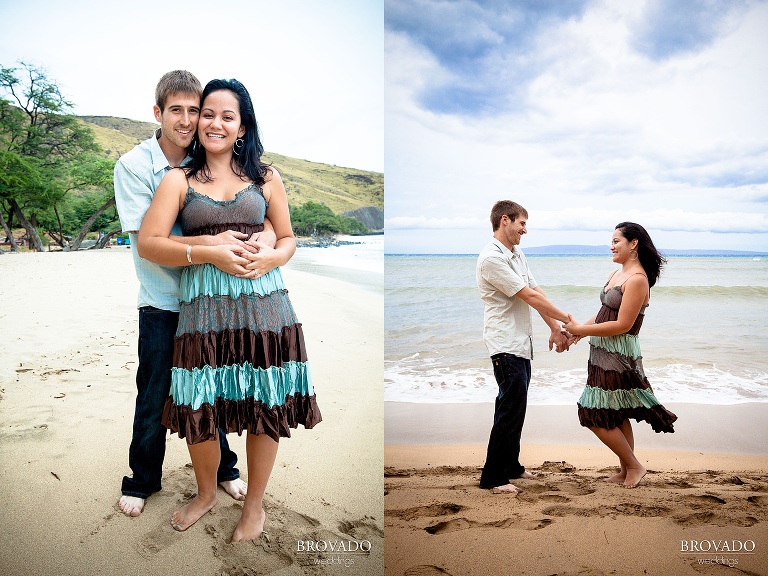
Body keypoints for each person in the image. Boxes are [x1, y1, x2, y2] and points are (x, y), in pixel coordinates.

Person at [137, 78, 321, 542]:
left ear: (242, 127)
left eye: (227, 116)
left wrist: (273, 255)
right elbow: (149, 244)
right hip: (203, 313)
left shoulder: (265, 177)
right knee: (200, 401)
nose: (214, 123)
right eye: (208, 114)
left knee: (265, 400)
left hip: (265, 308)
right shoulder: (178, 180)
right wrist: (210, 253)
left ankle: (254, 505)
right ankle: (205, 494)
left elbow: (288, 237)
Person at [114, 70, 279, 517]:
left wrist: (264, 233)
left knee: (215, 387)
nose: (191, 121)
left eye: (196, 110)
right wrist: (212, 246)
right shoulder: (138, 167)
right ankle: (143, 479)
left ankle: (224, 471)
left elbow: (251, 208)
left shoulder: (208, 158)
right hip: (165, 294)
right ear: (158, 113)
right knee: (157, 391)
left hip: (219, 299)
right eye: (179, 111)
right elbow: (150, 240)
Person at [563, 222, 677, 488]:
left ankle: (636, 466)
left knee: (591, 412)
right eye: (611, 241)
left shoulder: (637, 279)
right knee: (616, 411)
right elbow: (605, 313)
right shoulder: (617, 273)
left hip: (619, 354)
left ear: (633, 244)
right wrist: (579, 332)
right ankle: (626, 468)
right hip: (602, 350)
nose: (611, 246)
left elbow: (623, 324)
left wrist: (581, 328)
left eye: (617, 241)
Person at [476, 200, 572, 494]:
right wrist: (570, 320)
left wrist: (556, 328)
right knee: (509, 408)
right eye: (522, 223)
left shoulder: (516, 254)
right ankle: (492, 477)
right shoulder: (492, 259)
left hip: (520, 342)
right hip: (504, 343)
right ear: (505, 220)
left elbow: (536, 291)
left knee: (515, 406)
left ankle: (511, 467)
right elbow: (528, 296)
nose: (525, 230)